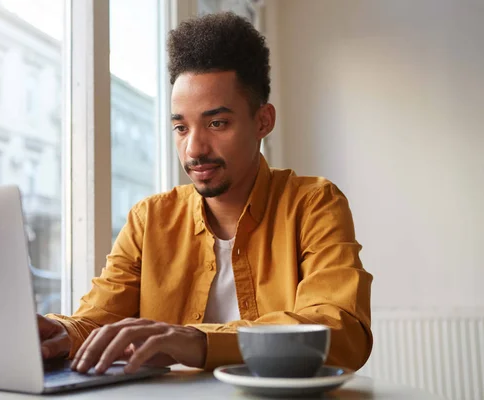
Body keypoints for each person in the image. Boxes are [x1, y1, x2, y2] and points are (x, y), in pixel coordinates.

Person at [37, 12, 373, 375]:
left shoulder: (313, 204)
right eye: (181, 127)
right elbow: (97, 320)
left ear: (263, 121)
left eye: (216, 123)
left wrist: (198, 341)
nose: (194, 149)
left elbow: (340, 331)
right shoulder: (148, 220)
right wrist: (61, 333)